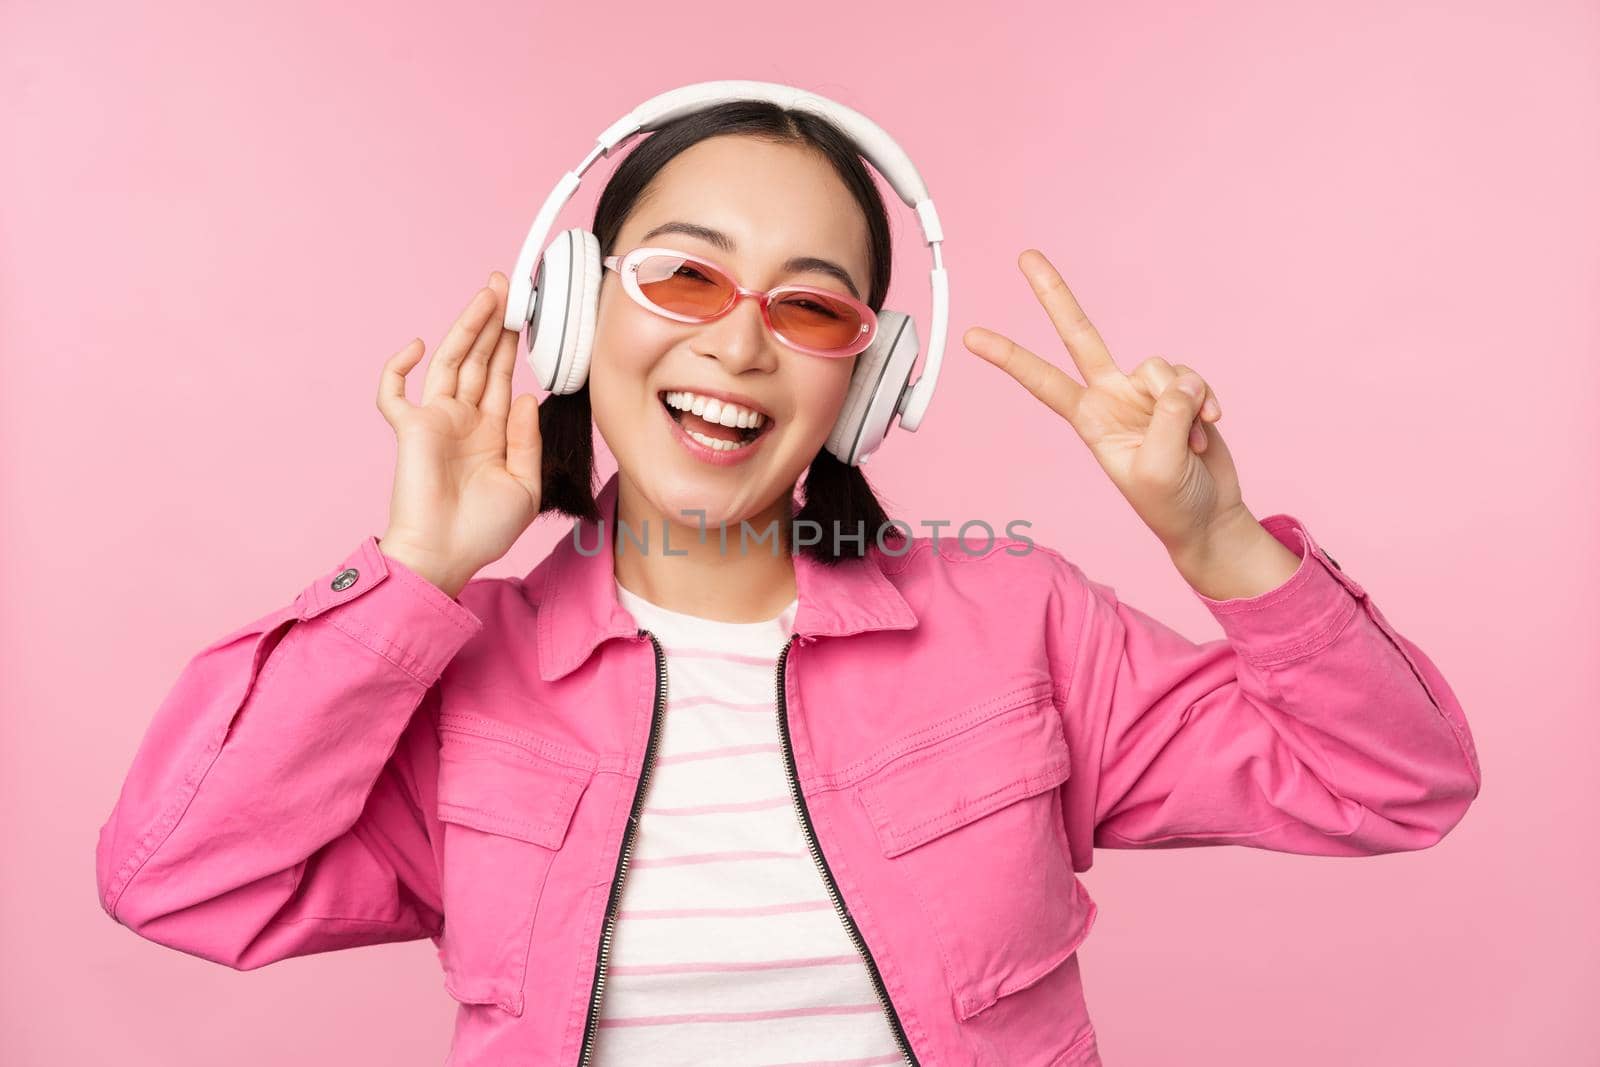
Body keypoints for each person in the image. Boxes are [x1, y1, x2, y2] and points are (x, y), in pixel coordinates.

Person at [94, 97, 1482, 1067]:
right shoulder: (464, 680)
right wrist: (418, 574)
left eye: (811, 306)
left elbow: (1394, 782)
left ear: (866, 383)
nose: (742, 344)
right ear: (577, 313)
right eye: (684, 277)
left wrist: (1215, 538)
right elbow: (180, 881)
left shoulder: (1021, 624)